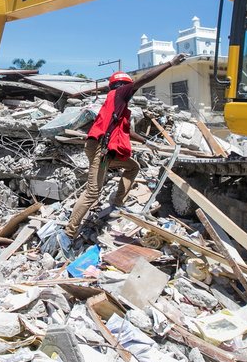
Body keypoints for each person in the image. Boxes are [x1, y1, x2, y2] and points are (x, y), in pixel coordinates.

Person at [63, 53, 187, 242]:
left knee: (133, 166)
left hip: (105, 150)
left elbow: (126, 130)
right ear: (123, 86)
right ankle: (68, 233)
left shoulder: (119, 108)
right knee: (93, 192)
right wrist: (170, 63)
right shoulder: (119, 94)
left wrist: (146, 142)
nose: (132, 91)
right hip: (100, 149)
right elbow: (143, 80)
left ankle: (117, 203)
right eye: (130, 87)